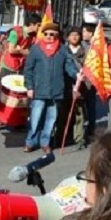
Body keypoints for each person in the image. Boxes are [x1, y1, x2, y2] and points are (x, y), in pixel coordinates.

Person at [22, 22, 77, 154]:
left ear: (57, 35)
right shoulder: (36, 49)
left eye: (52, 34)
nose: (49, 37)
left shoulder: (63, 49)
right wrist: (29, 86)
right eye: (46, 34)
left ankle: (45, 142)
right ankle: (30, 142)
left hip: (56, 91)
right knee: (35, 118)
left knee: (51, 119)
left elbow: (69, 66)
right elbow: (28, 69)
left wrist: (77, 74)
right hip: (39, 90)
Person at [0, 13, 40, 131]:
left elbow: (31, 52)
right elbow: (12, 50)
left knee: (20, 96)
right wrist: (24, 51)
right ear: (32, 24)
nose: (40, 28)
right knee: (0, 94)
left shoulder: (33, 37)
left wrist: (22, 50)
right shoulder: (16, 32)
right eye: (38, 25)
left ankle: (18, 122)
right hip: (8, 67)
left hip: (20, 68)